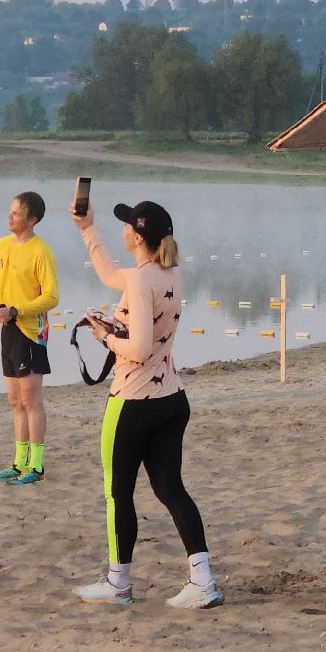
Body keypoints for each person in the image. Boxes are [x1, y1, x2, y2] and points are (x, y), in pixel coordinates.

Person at [70, 198, 221, 609]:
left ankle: (119, 582)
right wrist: (88, 228)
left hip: (133, 402)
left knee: (118, 493)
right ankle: (203, 580)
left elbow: (136, 349)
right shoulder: (168, 274)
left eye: (126, 226)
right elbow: (110, 277)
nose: (122, 231)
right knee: (171, 489)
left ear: (137, 236)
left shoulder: (140, 282)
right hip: (171, 398)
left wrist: (104, 336)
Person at [0, 191, 59, 486]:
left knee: (31, 400)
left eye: (16, 213)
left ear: (32, 220)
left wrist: (17, 310)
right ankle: (18, 463)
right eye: (10, 211)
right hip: (8, 330)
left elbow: (51, 296)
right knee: (15, 401)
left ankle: (36, 467)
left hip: (31, 332)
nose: (10, 217)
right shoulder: (2, 245)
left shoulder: (41, 251)